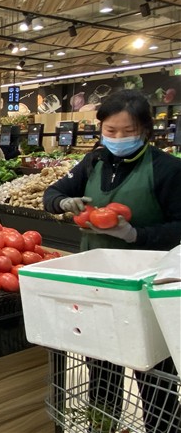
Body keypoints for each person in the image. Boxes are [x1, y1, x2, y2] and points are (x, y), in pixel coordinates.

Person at [43, 90, 181, 433]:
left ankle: (163, 429)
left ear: (146, 130)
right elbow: (51, 194)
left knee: (153, 371)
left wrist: (134, 235)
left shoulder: (169, 169)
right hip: (96, 282)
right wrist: (65, 204)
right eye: (111, 131)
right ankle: (102, 426)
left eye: (128, 131)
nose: (118, 138)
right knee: (100, 366)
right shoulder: (95, 161)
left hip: (146, 285)